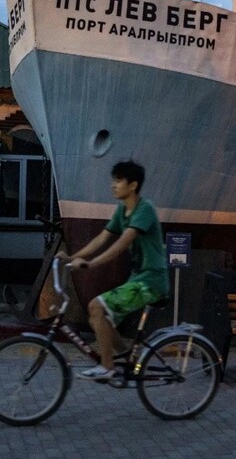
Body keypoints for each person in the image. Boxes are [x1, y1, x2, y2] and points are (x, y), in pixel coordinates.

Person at [61, 160, 169, 381]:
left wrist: (91, 264)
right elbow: (103, 237)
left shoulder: (144, 209)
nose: (113, 185)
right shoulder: (122, 210)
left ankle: (108, 366)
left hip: (151, 281)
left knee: (96, 307)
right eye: (114, 180)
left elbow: (121, 243)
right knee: (101, 319)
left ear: (133, 185)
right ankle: (126, 361)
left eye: (119, 180)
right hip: (138, 279)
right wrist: (73, 257)